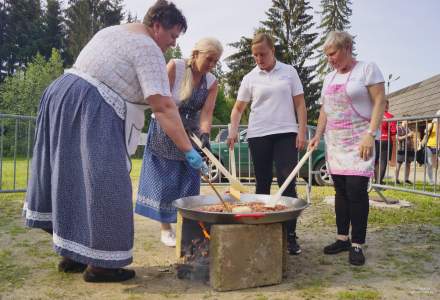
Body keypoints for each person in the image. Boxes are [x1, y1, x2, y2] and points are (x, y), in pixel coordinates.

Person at [22, 0, 206, 283]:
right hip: (91, 104)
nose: (171, 44)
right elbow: (164, 107)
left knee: (71, 179)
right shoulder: (147, 48)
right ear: (157, 26)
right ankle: (103, 266)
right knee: (107, 183)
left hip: (62, 96)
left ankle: (74, 253)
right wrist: (188, 150)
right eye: (172, 36)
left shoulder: (113, 32)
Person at [135, 38, 223, 247]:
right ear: (196, 54)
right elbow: (160, 101)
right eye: (209, 59)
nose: (211, 65)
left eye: (216, 62)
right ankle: (166, 228)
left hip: (190, 132)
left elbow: (207, 112)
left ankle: (188, 227)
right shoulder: (176, 66)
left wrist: (204, 134)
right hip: (166, 128)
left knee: (189, 180)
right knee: (166, 180)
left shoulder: (211, 82)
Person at [308, 31, 386, 266]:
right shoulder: (329, 78)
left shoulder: (367, 69)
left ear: (347, 47)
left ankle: (357, 244)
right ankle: (342, 238)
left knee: (356, 190)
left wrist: (370, 135)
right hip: (336, 142)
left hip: (360, 141)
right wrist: (318, 136)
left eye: (332, 53)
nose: (329, 59)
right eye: (326, 55)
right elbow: (325, 110)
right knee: (340, 191)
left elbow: (380, 101)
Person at [227, 32, 307, 255]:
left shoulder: (289, 72)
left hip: (286, 133)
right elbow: (237, 109)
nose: (259, 59)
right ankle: (261, 230)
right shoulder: (250, 77)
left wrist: (301, 131)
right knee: (262, 184)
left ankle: (289, 235)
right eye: (255, 55)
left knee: (287, 183)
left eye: (262, 54)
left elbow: (300, 104)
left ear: (273, 51)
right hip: (258, 134)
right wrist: (233, 130)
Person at [374, 100, 396, 184]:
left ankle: (375, 181)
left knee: (376, 161)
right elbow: (393, 131)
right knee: (383, 161)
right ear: (387, 106)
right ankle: (379, 182)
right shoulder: (390, 116)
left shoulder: (376, 115)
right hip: (386, 140)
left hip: (376, 139)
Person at [421, 110, 440, 184]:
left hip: (438, 147)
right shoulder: (431, 124)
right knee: (430, 164)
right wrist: (427, 129)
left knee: (437, 164)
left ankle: (437, 179)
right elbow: (425, 131)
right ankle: (431, 180)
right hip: (429, 146)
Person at [395, 119, 415, 184]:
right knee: (398, 164)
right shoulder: (399, 128)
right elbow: (398, 138)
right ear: (403, 121)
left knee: (408, 164)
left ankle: (406, 179)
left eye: (408, 120)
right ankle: (396, 179)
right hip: (401, 149)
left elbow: (411, 138)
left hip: (409, 149)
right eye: (407, 120)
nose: (408, 122)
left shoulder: (408, 129)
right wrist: (407, 135)